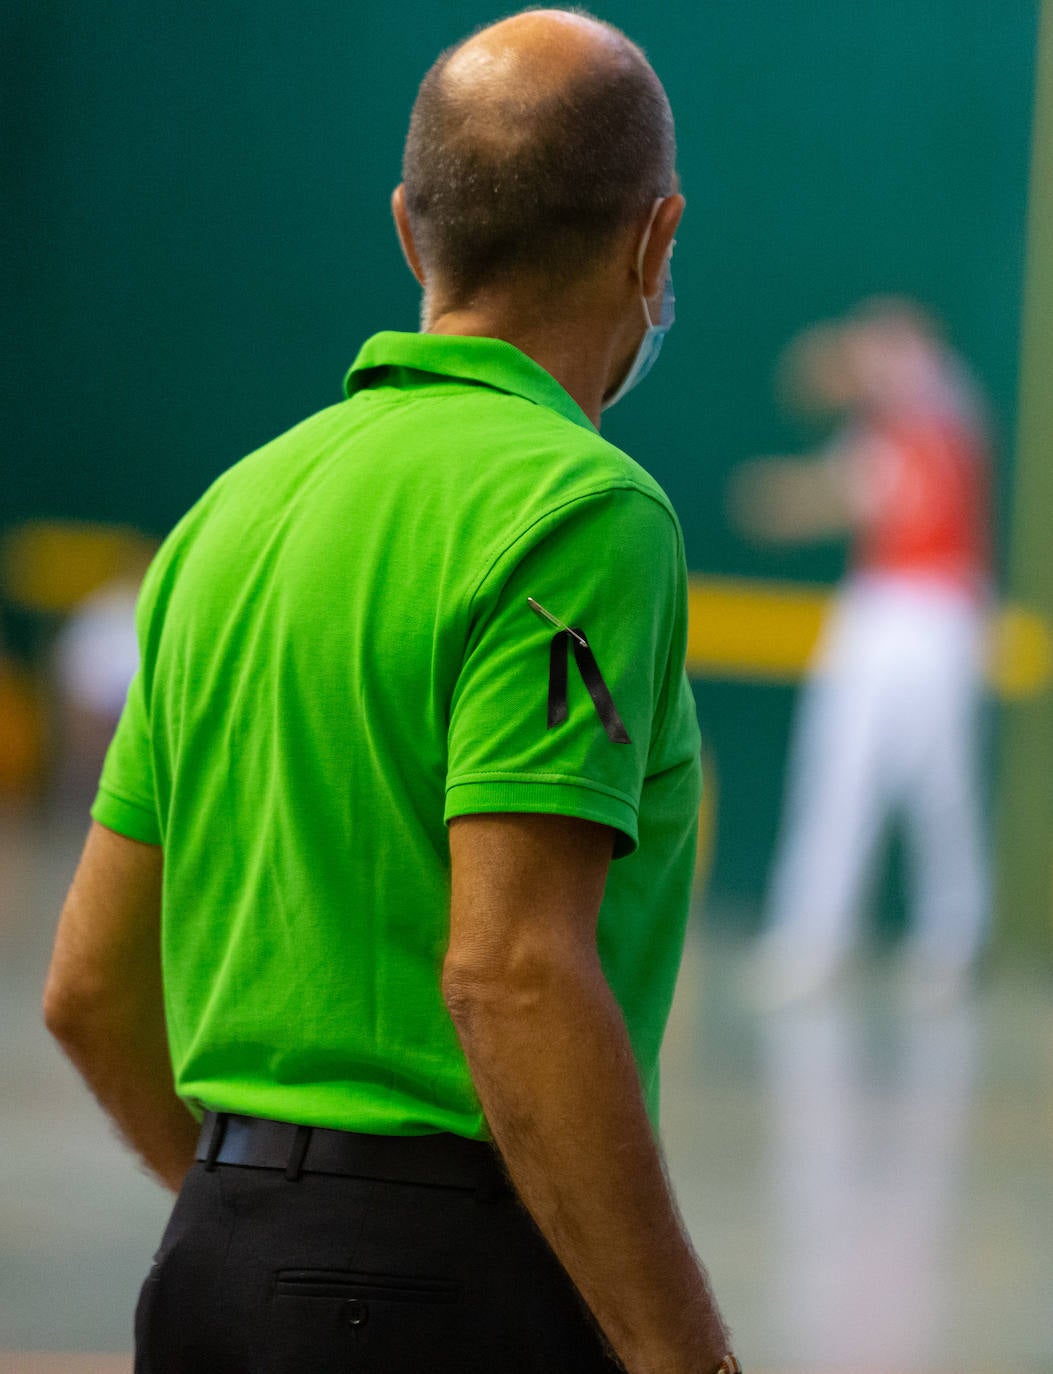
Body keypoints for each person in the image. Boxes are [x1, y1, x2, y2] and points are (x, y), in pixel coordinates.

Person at [43, 10, 741, 1373]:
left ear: (410, 230)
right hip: (453, 1287)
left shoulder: (229, 516)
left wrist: (261, 1211)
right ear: (653, 242)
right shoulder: (581, 507)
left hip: (208, 1273)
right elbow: (513, 970)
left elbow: (85, 986)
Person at [734, 299, 990, 1010]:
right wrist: (790, 499)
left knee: (941, 785)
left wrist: (844, 360)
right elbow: (844, 490)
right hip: (874, 608)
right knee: (836, 772)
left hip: (941, 613)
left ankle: (952, 944)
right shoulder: (877, 434)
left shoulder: (947, 402)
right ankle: (810, 940)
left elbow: (839, 369)